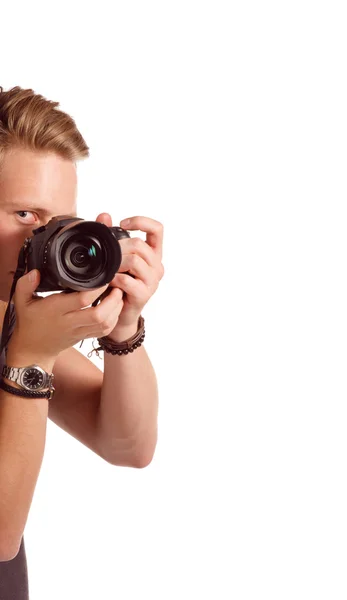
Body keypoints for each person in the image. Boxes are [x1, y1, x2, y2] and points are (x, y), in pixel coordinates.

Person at [0, 85, 164, 599]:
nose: (40, 242)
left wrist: (123, 329)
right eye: (24, 216)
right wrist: (32, 358)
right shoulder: (26, 341)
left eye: (57, 223)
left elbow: (128, 446)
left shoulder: (7, 321)